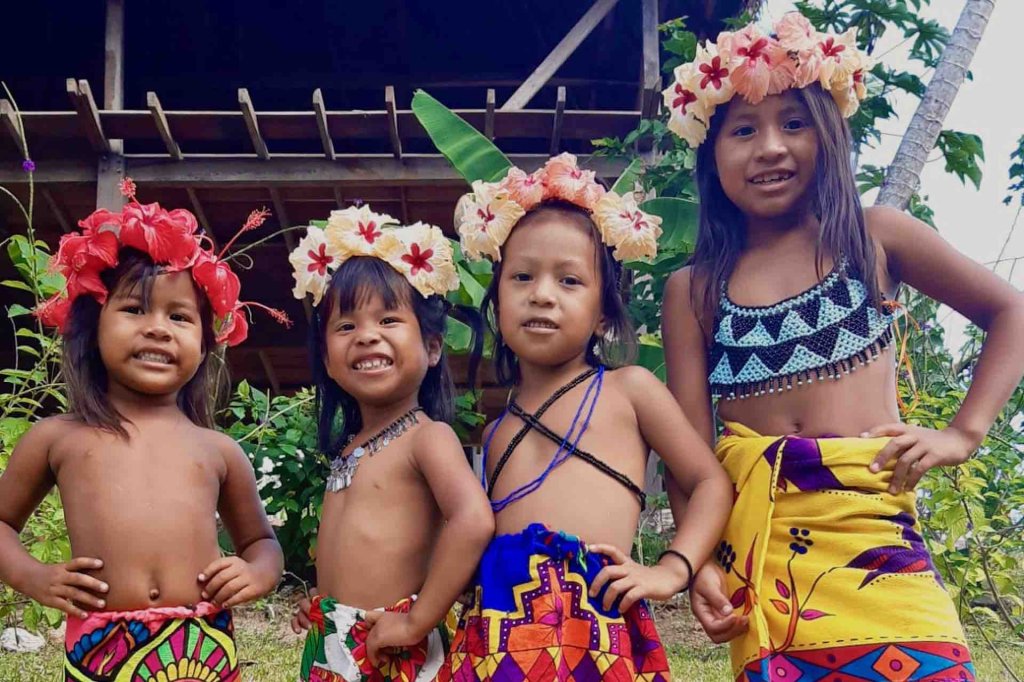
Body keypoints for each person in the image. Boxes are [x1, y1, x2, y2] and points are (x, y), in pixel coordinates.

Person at [660, 12, 1024, 680]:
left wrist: (962, 434)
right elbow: (691, 457)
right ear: (710, 154)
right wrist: (698, 564)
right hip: (769, 568)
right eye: (743, 130)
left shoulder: (875, 236)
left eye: (794, 124)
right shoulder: (693, 291)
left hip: (879, 539)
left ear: (830, 136)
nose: (770, 147)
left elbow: (1012, 312)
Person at [436, 153, 734, 681]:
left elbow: (708, 480)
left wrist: (675, 568)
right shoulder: (496, 429)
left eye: (569, 281)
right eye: (522, 277)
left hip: (597, 630)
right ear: (497, 300)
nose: (542, 295)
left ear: (602, 315)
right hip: (496, 639)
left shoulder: (630, 390)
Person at [0, 180, 286, 681]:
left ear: (204, 345)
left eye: (180, 317)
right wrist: (34, 576)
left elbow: (262, 543)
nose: (157, 328)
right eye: (133, 309)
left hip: (203, 648)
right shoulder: (58, 438)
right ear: (93, 325)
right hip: (99, 648)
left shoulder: (216, 450)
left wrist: (256, 573)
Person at [287, 206, 494, 682]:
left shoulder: (428, 437)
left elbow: (473, 519)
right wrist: (323, 598)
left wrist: (419, 619)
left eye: (388, 320)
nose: (366, 337)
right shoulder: (351, 448)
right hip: (334, 641)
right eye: (346, 327)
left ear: (433, 346)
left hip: (396, 646)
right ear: (328, 359)